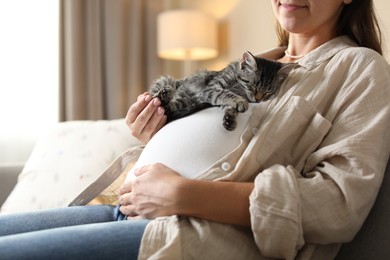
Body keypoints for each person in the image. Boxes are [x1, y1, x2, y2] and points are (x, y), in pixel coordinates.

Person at [1, 0, 389, 259]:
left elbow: (337, 206)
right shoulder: (255, 62)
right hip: (128, 209)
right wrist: (156, 132)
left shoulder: (359, 68)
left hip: (187, 234)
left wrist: (183, 193)